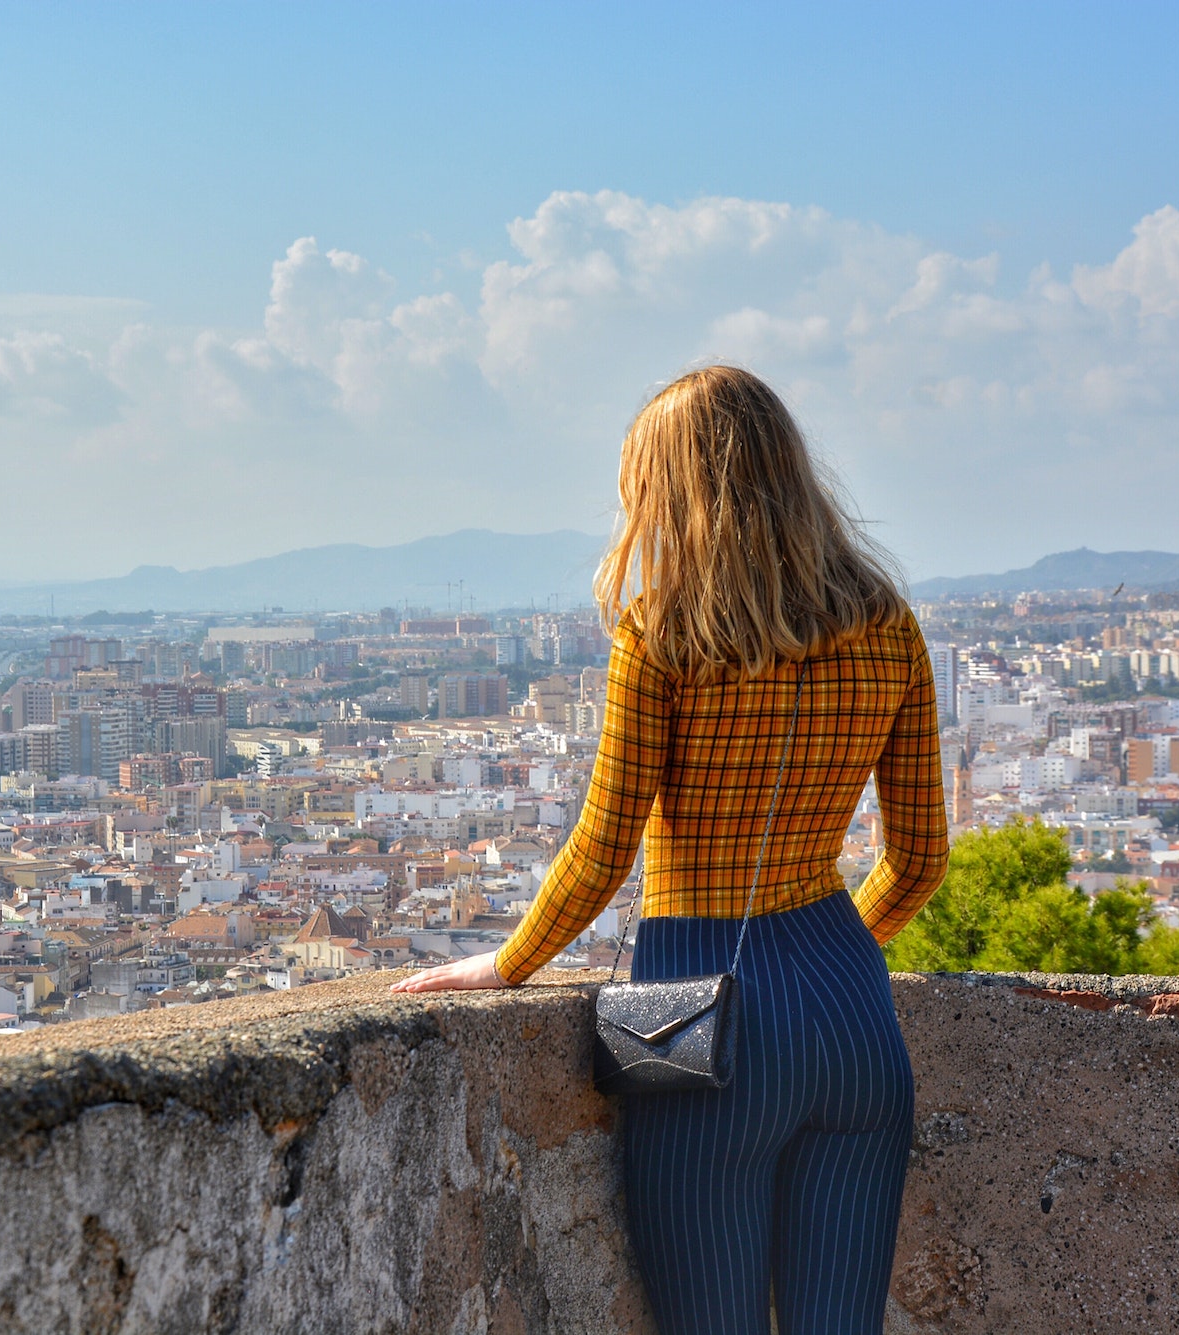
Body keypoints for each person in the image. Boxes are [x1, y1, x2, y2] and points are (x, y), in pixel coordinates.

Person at [392, 365, 949, 1335]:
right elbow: (919, 859)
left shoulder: (664, 634)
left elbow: (605, 842)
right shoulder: (887, 628)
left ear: (669, 494)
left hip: (706, 1020)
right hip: (856, 1016)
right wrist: (833, 957)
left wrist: (507, 962)